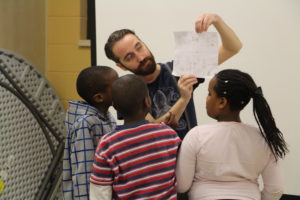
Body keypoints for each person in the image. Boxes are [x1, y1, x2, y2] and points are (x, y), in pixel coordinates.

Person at [104, 13, 242, 140]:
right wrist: (183, 99)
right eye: (129, 57)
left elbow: (232, 48)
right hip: (158, 163)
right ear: (121, 66)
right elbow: (152, 130)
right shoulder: (127, 91)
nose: (140, 57)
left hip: (191, 156)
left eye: (139, 47)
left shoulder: (179, 69)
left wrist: (217, 20)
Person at [176, 69, 289, 200]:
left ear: (222, 102)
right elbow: (276, 190)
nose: (207, 98)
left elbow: (181, 186)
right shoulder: (263, 138)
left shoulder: (197, 135)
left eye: (209, 94)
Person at [89, 74, 181, 200]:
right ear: (147, 101)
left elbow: (100, 192)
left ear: (114, 106)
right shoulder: (169, 134)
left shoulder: (107, 144)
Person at [62, 66, 118, 200]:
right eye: (117, 85)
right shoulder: (85, 124)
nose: (122, 87)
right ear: (99, 97)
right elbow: (84, 173)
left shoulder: (106, 116)